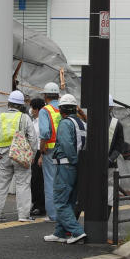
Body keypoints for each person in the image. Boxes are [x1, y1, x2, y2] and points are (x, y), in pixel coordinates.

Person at [44, 94, 88, 244]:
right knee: (69, 201)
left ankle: (77, 231)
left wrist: (73, 161)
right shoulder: (82, 124)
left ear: (61, 109)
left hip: (66, 165)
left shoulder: (64, 123)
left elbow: (67, 144)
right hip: (78, 167)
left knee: (60, 201)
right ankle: (60, 233)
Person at [0, 90, 38, 222]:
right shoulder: (25, 118)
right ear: (21, 105)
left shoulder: (0, 117)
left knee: (1, 185)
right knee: (23, 184)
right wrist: (31, 155)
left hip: (4, 155)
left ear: (9, 103)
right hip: (20, 155)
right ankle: (23, 215)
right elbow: (33, 139)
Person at [38, 82, 62, 221]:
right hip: (65, 149)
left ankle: (53, 215)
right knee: (63, 182)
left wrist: (42, 147)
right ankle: (64, 213)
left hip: (50, 150)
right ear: (58, 95)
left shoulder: (45, 110)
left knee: (50, 182)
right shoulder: (64, 108)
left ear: (45, 95)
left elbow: (45, 132)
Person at [106, 95, 130, 219]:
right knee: (106, 193)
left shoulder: (117, 125)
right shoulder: (92, 121)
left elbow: (119, 146)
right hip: (105, 164)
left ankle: (103, 221)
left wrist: (110, 159)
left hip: (109, 166)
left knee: (109, 193)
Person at [28, 97, 47, 217]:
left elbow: (43, 138)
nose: (31, 110)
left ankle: (40, 206)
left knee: (38, 181)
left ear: (37, 109)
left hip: (41, 151)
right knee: (35, 180)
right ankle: (37, 204)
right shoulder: (34, 121)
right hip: (35, 152)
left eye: (32, 108)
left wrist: (41, 156)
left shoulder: (41, 121)